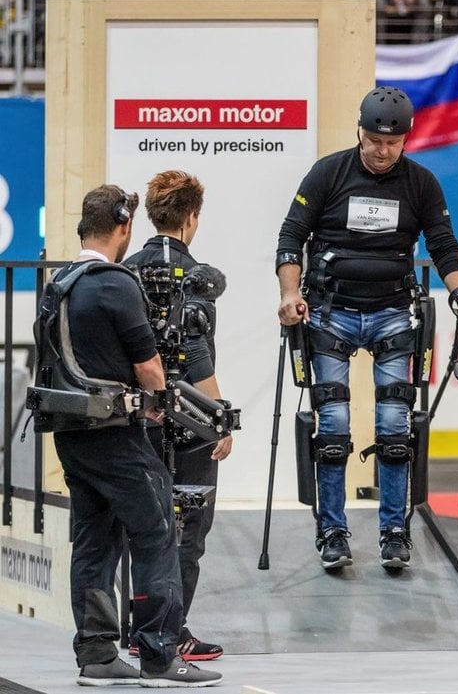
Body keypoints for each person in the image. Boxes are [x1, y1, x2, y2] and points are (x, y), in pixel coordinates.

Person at [276, 85, 458, 571]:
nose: (382, 151)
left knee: (396, 427)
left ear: (406, 141)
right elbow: (291, 237)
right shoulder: (328, 173)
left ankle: (395, 530)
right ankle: (332, 530)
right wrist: (290, 294)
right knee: (331, 426)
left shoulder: (421, 183)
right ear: (360, 130)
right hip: (330, 311)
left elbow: (444, 246)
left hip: (393, 313)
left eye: (392, 144)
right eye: (374, 140)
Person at [46, 185, 222, 687]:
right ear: (124, 228)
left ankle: (97, 655)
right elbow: (149, 367)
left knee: (94, 540)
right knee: (158, 531)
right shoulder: (115, 283)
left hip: (71, 432)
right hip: (114, 433)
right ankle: (159, 655)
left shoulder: (61, 281)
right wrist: (166, 399)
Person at [123, 170, 233, 661]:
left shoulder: (125, 270)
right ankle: (172, 630)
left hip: (135, 419)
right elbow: (195, 354)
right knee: (188, 527)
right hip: (188, 422)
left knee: (144, 527)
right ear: (192, 217)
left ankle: (138, 628)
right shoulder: (198, 276)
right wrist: (219, 419)